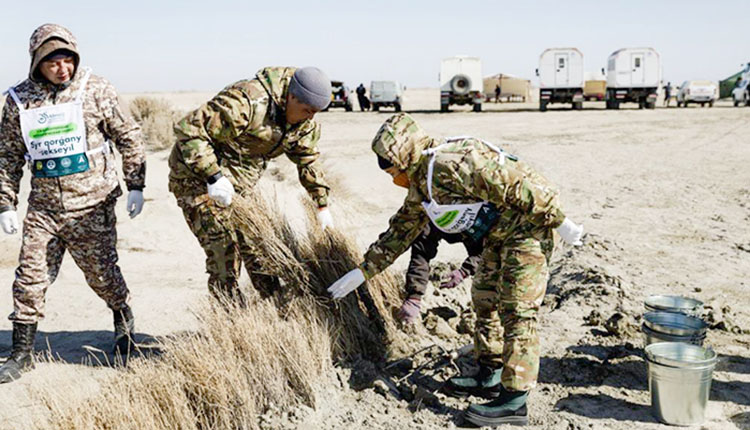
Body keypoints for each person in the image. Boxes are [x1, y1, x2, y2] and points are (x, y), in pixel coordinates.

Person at [327, 113, 584, 427]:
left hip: (529, 228)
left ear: (404, 156)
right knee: (485, 298)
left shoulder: (454, 164)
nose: (393, 178)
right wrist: (364, 271)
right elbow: (402, 231)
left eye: (393, 169)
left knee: (518, 310)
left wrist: (562, 222)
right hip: (498, 237)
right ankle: (489, 373)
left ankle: (515, 401)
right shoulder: (423, 181)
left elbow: (518, 183)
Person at [0, 23, 146, 383]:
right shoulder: (19, 100)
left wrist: (136, 185)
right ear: (37, 63)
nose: (62, 69)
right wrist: (6, 204)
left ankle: (124, 325)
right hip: (44, 210)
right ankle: (21, 353)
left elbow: (129, 136)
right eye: (53, 63)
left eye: (68, 60)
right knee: (30, 278)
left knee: (103, 275)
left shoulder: (96, 89)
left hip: (91, 205)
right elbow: (7, 156)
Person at [169, 67, 334, 301]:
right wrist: (213, 176)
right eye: (307, 110)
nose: (310, 117)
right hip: (196, 178)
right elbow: (189, 130)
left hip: (240, 184)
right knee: (224, 252)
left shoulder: (303, 121)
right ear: (291, 97)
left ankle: (277, 310)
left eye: (316, 112)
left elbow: (307, 160)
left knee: (261, 248)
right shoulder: (247, 102)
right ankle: (231, 320)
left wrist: (322, 205)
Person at [397, 223, 482, 324]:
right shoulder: (434, 214)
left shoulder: (488, 217)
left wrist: (464, 271)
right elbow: (421, 253)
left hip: (482, 229)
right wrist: (414, 296)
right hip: (443, 222)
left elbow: (488, 251)